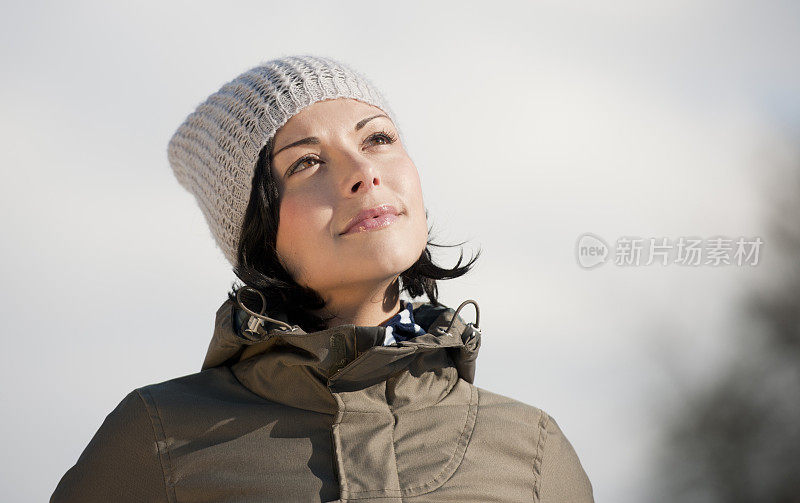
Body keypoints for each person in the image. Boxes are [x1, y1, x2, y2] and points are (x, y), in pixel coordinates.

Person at [50, 55, 594, 503]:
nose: (364, 172)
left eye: (377, 138)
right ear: (257, 231)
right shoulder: (157, 438)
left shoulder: (532, 451)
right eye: (307, 162)